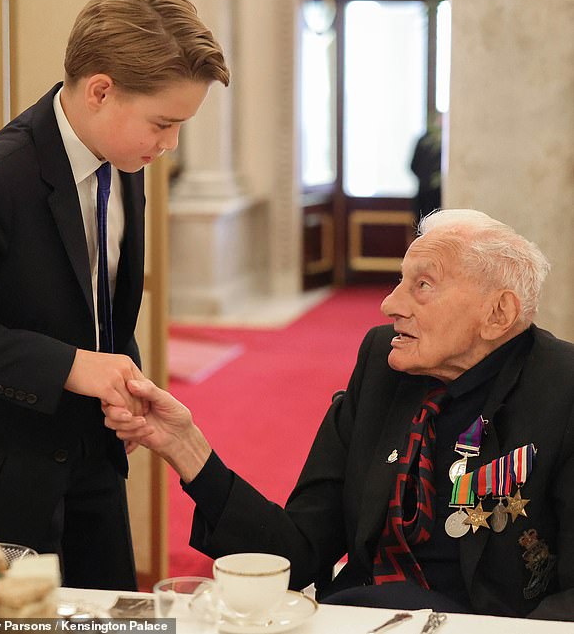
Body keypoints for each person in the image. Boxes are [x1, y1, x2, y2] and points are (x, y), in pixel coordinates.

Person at [105, 209, 574, 620]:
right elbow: (298, 553)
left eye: (423, 286)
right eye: (400, 281)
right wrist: (187, 448)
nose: (390, 304)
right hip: (358, 618)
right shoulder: (383, 363)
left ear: (498, 314)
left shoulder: (562, 391)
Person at [0, 0, 229, 590]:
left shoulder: (123, 158)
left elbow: (99, 300)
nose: (171, 144)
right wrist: (72, 367)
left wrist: (125, 379)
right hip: (2, 478)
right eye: (163, 123)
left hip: (95, 459)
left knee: (114, 619)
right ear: (101, 90)